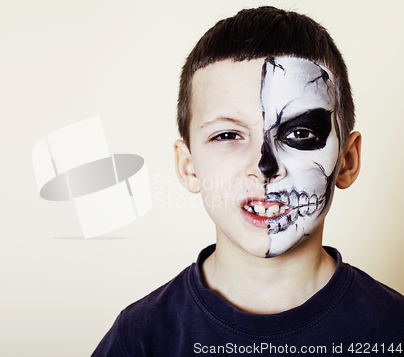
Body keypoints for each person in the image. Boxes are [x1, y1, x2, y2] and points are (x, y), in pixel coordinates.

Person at [92, 6, 404, 356]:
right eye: (227, 135)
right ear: (188, 166)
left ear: (347, 161)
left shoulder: (395, 330)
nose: (264, 166)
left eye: (299, 132)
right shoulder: (140, 339)